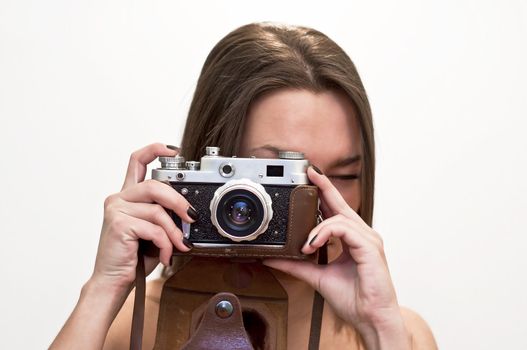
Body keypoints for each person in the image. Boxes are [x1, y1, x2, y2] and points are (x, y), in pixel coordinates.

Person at [51, 22, 438, 349]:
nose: (314, 202)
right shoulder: (127, 324)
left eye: (343, 176)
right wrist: (104, 290)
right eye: (279, 174)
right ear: (209, 171)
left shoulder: (402, 334)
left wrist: (379, 326)